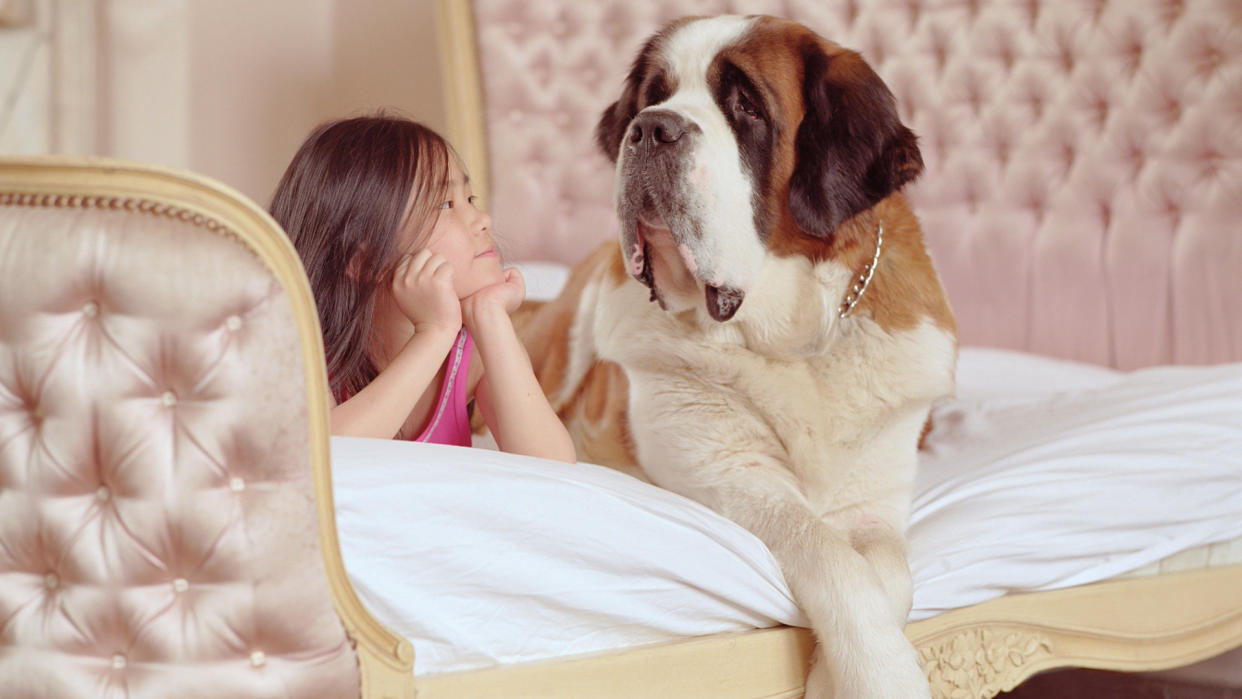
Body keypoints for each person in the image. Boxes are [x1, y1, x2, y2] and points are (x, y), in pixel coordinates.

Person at [270, 114, 576, 463]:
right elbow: (327, 461)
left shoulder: (471, 349)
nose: (483, 220)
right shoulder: (304, 347)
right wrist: (432, 333)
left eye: (470, 199)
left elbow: (553, 467)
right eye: (446, 205)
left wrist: (491, 317)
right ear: (365, 261)